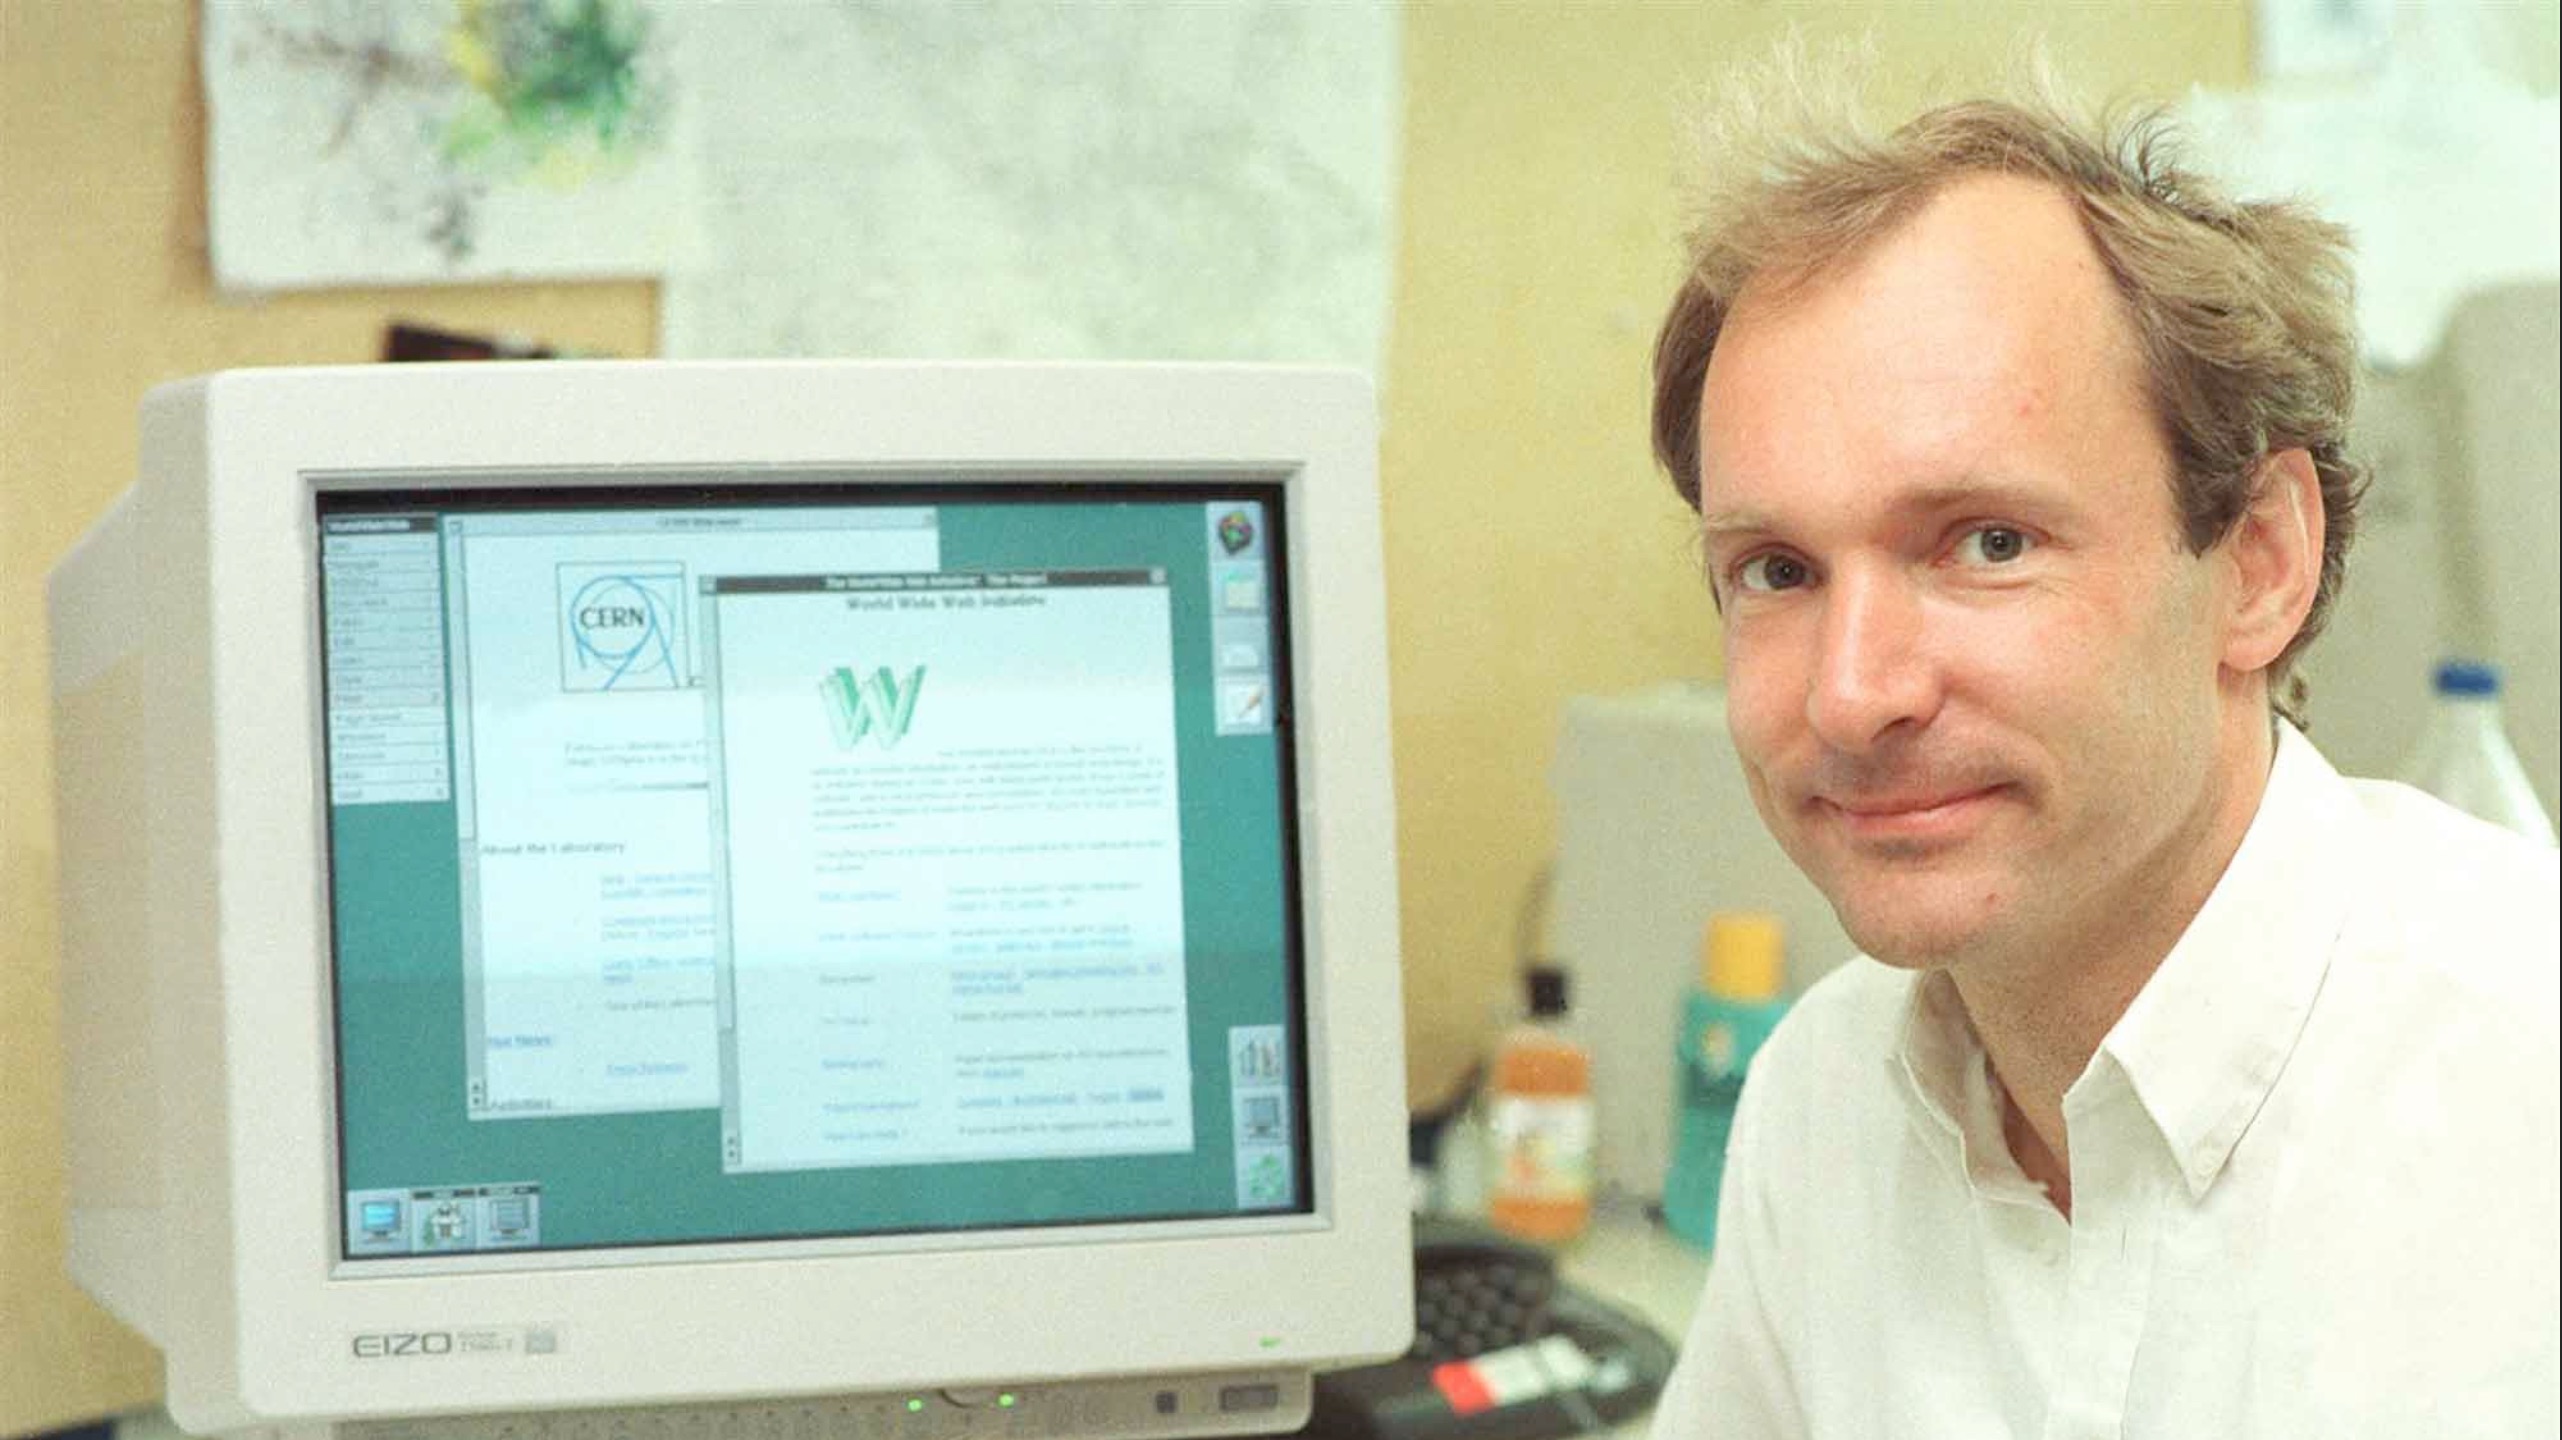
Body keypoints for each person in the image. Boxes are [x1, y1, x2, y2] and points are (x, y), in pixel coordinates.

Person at [1641, 69, 2560, 1439]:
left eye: (1985, 543)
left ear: (2258, 563)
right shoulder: (1821, 1100)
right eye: (1774, 569)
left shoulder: (2518, 1084)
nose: (1848, 696)